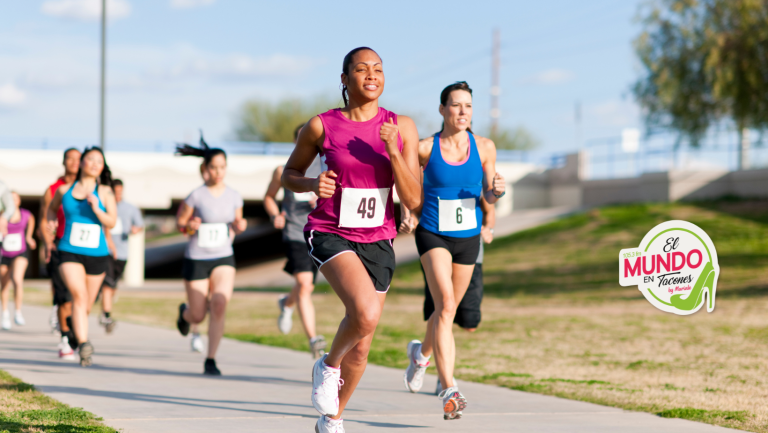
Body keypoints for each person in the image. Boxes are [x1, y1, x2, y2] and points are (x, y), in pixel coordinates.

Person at [282, 47, 421, 433]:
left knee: (362, 343)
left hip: (378, 237)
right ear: (345, 79)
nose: (371, 75)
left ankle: (333, 418)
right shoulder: (322, 125)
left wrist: (394, 151)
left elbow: (413, 199)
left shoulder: (401, 126)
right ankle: (327, 366)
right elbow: (288, 175)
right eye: (361, 69)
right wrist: (312, 182)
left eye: (378, 69)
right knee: (366, 313)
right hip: (330, 230)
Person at [400, 81, 505, 420]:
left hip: (468, 237)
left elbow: (488, 196)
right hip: (433, 233)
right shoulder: (425, 148)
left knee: (447, 311)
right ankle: (449, 389)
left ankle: (420, 354)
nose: (463, 112)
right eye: (456, 105)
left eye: (468, 106)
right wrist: (407, 213)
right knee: (445, 305)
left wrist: (496, 193)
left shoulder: (485, 147)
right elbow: (407, 186)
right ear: (443, 109)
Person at [174, 135, 247, 376]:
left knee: (218, 304)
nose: (218, 172)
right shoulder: (196, 195)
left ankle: (211, 359)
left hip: (223, 256)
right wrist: (190, 227)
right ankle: (185, 315)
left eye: (222, 167)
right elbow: (181, 225)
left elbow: (237, 223)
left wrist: (240, 225)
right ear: (206, 169)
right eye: (214, 167)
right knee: (198, 314)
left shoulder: (234, 195)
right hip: (197, 257)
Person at [407, 197, 495, 395]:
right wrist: (410, 217)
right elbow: (414, 199)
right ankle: (445, 379)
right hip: (436, 244)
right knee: (445, 309)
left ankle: (420, 355)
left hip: (470, 251)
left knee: (467, 321)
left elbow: (491, 212)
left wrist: (489, 228)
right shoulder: (432, 168)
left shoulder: (477, 171)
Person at [47, 146, 117, 367]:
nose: (95, 163)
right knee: (78, 296)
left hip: (97, 254)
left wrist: (97, 209)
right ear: (82, 163)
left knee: (86, 304)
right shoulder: (64, 190)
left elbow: (112, 222)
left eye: (100, 160)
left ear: (102, 166)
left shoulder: (105, 192)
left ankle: (74, 329)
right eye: (91, 159)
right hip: (69, 250)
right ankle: (84, 343)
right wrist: (51, 220)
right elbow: (51, 209)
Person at [265, 123, 327, 359]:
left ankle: (286, 304)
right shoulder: (284, 170)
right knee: (305, 285)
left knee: (305, 286)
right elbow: (269, 197)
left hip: (319, 233)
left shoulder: (325, 167)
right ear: (296, 144)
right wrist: (275, 214)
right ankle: (314, 339)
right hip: (294, 232)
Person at [39, 147, 81, 359]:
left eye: (78, 159)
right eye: (70, 159)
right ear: (64, 162)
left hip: (85, 250)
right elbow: (45, 218)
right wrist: (48, 242)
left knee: (81, 298)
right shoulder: (55, 189)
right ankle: (65, 339)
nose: (74, 162)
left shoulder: (89, 188)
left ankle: (74, 329)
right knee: (64, 296)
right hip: (61, 247)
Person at [100, 179, 144, 334]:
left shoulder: (131, 208)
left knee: (112, 287)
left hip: (122, 252)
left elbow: (139, 225)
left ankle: (104, 309)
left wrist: (135, 230)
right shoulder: (103, 206)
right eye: (115, 192)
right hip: (105, 251)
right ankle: (107, 316)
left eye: (120, 192)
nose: (118, 195)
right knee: (107, 284)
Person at [0, 192, 35, 329]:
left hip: (20, 251)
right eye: (10, 199)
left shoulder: (25, 214)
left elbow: (31, 220)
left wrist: (29, 236)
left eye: (15, 198)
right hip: (4, 252)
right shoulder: (3, 216)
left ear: (19, 201)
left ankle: (18, 312)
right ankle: (5, 313)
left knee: (17, 279)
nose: (13, 201)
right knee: (4, 284)